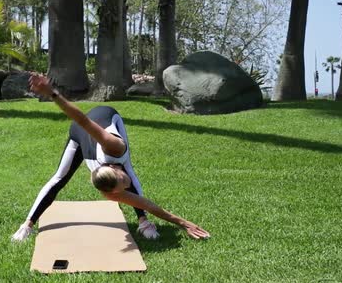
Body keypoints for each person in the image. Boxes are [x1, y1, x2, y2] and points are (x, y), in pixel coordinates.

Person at [11, 74, 210, 241]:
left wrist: (185, 224)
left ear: (115, 170)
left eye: (123, 182)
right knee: (59, 178)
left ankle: (143, 222)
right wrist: (51, 93)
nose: (127, 183)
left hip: (105, 116)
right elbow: (80, 121)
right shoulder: (109, 187)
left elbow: (82, 120)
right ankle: (27, 224)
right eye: (124, 184)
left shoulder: (113, 146)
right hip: (78, 133)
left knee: (129, 167)